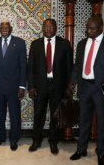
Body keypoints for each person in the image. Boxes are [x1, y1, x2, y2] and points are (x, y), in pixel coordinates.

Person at [68, 16, 104, 165]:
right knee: (84, 121)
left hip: (102, 88)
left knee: (102, 122)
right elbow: (77, 65)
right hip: (85, 87)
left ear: (100, 27)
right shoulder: (82, 44)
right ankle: (81, 149)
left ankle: (101, 152)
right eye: (87, 28)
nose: (88, 31)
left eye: (92, 28)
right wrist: (72, 81)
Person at [27, 18, 73, 154]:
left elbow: (69, 67)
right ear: (42, 28)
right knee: (38, 115)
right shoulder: (35, 44)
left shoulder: (64, 44)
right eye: (46, 27)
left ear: (56, 28)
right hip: (40, 87)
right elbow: (31, 67)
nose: (48, 29)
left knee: (55, 115)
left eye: (51, 27)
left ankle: (53, 142)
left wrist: (68, 87)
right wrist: (31, 86)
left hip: (58, 86)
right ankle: (36, 140)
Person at [0, 19, 27, 151]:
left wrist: (22, 86)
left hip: (14, 87)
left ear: (11, 29)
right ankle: (0, 137)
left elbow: (23, 66)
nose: (4, 30)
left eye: (7, 28)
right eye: (2, 28)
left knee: (15, 114)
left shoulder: (20, 43)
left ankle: (14, 139)